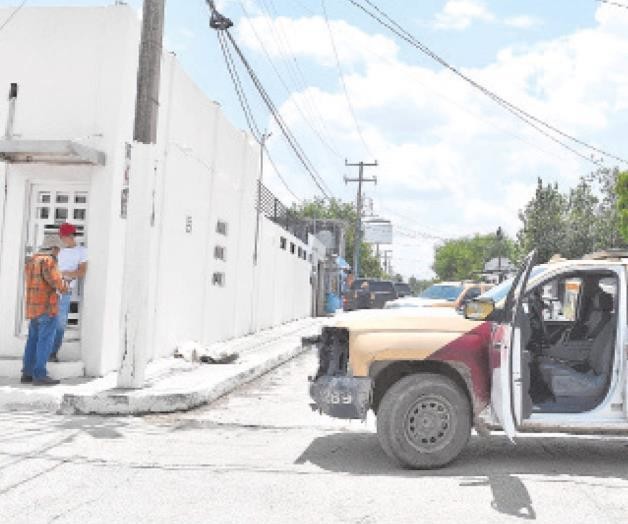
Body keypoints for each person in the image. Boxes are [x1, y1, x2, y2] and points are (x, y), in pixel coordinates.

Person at [22, 235, 69, 385]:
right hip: (47, 308)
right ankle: (40, 374)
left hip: (33, 307)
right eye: (58, 249)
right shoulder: (48, 260)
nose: (59, 252)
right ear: (54, 248)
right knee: (45, 341)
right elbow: (55, 281)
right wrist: (65, 285)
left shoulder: (31, 260)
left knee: (32, 340)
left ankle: (27, 373)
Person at [50, 222, 88, 362]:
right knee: (45, 321)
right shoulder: (57, 250)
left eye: (63, 236)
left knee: (60, 323)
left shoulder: (82, 251)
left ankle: (52, 353)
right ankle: (42, 351)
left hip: (65, 290)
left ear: (71, 236)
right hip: (50, 289)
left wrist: (68, 273)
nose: (61, 238)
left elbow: (82, 271)